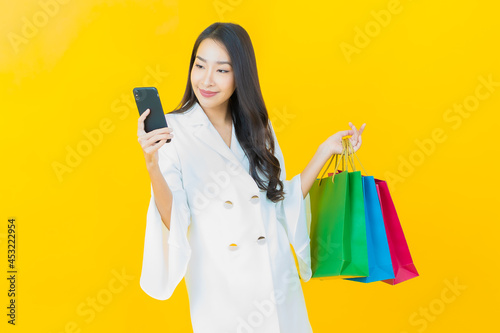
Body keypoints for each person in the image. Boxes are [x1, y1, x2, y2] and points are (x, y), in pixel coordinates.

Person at [137, 22, 365, 333]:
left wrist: (326, 150)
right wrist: (152, 163)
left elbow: (280, 198)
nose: (206, 79)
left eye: (222, 70)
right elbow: (175, 217)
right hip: (221, 289)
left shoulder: (259, 127)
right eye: (200, 65)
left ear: (240, 76)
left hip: (276, 280)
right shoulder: (173, 132)